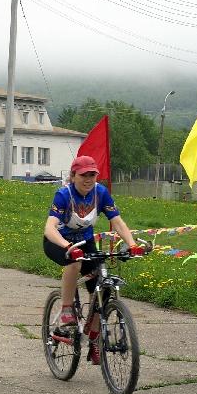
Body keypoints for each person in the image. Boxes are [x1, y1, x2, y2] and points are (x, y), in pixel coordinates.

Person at [43, 155, 143, 365]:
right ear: (73, 176)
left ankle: (95, 338)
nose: (88, 179)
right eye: (83, 175)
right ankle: (67, 308)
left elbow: (117, 221)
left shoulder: (100, 192)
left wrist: (132, 244)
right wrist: (67, 247)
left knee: (102, 286)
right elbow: (50, 228)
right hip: (58, 242)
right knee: (75, 262)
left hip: (85, 241)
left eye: (92, 175)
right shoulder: (63, 195)